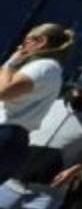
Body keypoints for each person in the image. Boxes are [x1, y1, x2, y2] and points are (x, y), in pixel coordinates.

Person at [0, 74, 82, 209]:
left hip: (47, 194)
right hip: (12, 183)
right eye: (80, 89)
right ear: (75, 86)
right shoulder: (51, 105)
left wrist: (74, 170)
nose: (81, 94)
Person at [0, 25, 73, 184]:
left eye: (26, 41)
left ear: (41, 42)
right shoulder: (50, 69)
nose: (21, 47)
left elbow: (3, 91)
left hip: (6, 131)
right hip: (12, 137)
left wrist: (9, 65)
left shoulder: (43, 67)